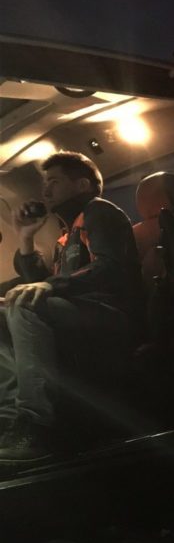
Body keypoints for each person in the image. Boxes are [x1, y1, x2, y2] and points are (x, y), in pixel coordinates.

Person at [0, 151, 143, 460]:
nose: (45, 190)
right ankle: (10, 418)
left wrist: (50, 285)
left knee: (25, 306)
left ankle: (39, 427)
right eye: (44, 183)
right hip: (80, 311)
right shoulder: (67, 233)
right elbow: (45, 282)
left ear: (81, 185)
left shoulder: (100, 212)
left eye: (54, 181)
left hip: (110, 313)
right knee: (7, 310)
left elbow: (109, 268)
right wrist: (25, 239)